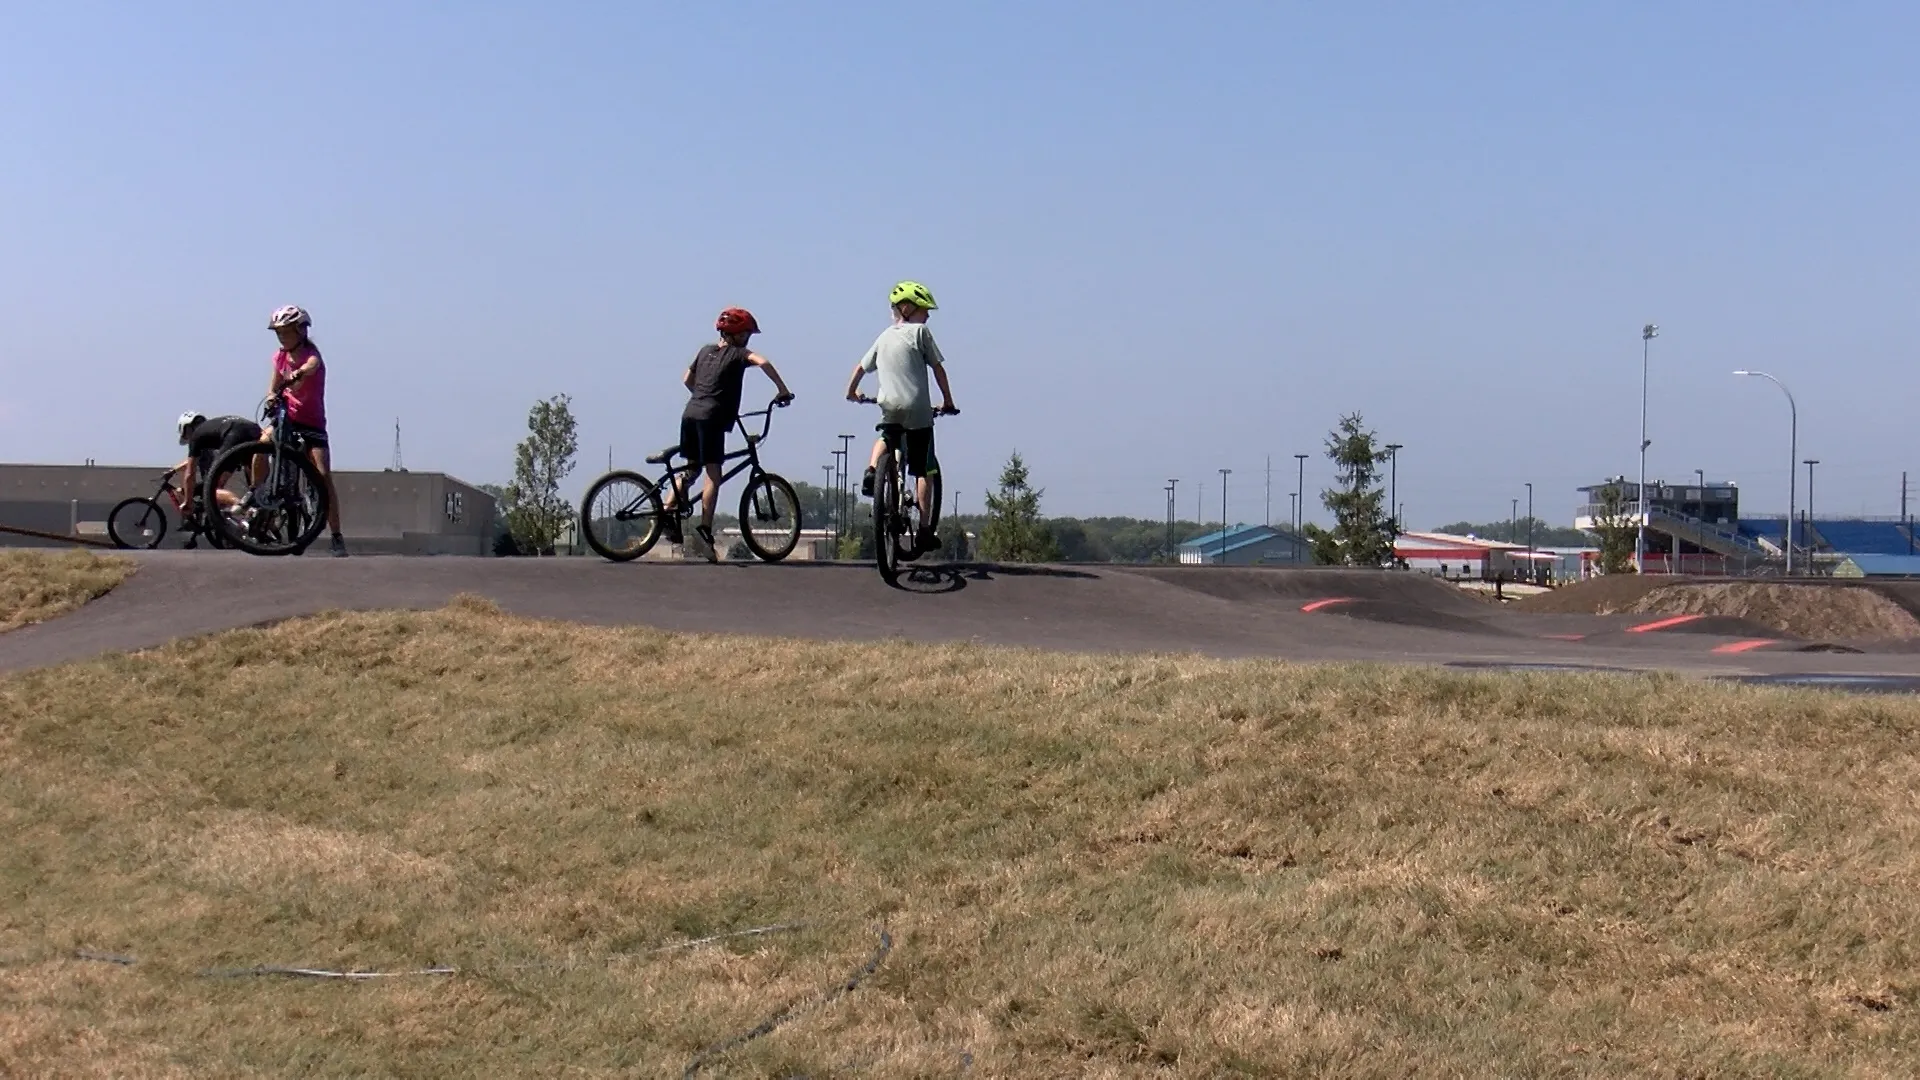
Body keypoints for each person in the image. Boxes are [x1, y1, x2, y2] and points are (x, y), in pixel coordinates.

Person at [659, 307, 794, 560]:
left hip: (691, 413)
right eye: (747, 334)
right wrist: (782, 390)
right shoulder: (739, 354)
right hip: (712, 418)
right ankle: (704, 529)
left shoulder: (704, 351)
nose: (749, 339)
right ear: (737, 335)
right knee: (714, 473)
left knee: (691, 469)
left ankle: (667, 510)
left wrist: (703, 395)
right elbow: (763, 362)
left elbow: (687, 379)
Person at [845, 281, 958, 555]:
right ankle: (924, 531)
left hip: (889, 406)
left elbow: (861, 367)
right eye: (924, 310)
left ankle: (872, 471)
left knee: (885, 436)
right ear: (907, 309)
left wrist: (851, 392)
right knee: (924, 470)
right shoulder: (921, 333)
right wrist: (948, 401)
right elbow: (938, 370)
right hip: (918, 410)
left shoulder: (883, 336)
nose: (928, 315)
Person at [261, 305, 347, 556]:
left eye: (286, 332)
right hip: (286, 419)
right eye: (278, 333)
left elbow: (311, 365)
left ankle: (336, 535)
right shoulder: (279, 357)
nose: (281, 337)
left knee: (322, 474)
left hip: (312, 424)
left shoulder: (311, 354)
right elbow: (272, 387)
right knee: (260, 445)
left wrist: (297, 373)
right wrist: (270, 398)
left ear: (300, 331)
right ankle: (258, 496)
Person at [170, 410, 261, 545]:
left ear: (188, 428)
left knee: (211, 488)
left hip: (234, 434)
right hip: (253, 429)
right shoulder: (213, 429)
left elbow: (190, 474)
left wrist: (188, 501)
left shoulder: (197, 437)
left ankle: (243, 507)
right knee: (257, 484)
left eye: (186, 435)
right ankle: (265, 514)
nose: (188, 439)